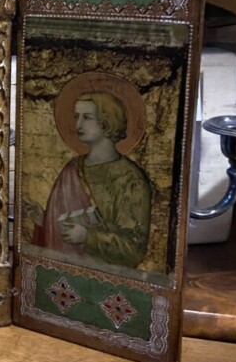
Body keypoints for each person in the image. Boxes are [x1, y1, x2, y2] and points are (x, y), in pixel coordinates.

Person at [26, 92, 151, 269]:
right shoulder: (72, 168)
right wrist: (45, 221)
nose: (78, 124)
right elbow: (67, 228)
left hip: (106, 277)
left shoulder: (130, 179)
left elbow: (133, 249)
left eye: (86, 117)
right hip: (64, 275)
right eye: (76, 117)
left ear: (106, 121)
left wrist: (88, 237)